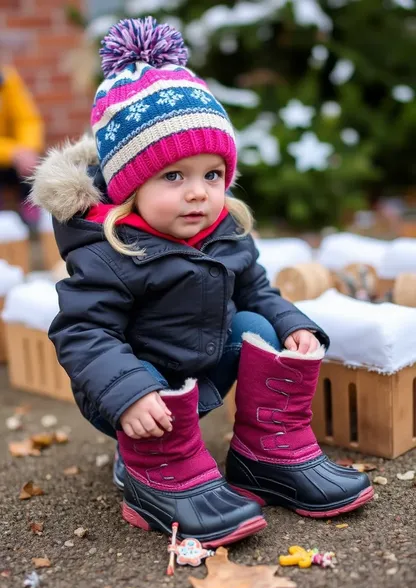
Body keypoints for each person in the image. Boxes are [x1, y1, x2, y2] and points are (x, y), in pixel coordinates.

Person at [31, 17, 373, 547]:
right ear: (130, 186)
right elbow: (82, 331)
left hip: (203, 363)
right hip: (130, 388)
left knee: (258, 322)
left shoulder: (225, 230)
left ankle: (269, 454)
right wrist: (129, 394)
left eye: (212, 175)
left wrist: (292, 326)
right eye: (174, 177)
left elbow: (256, 288)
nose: (199, 193)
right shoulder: (109, 250)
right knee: (140, 375)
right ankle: (151, 470)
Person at [0, 66, 44, 226]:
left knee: (35, 166)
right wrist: (13, 152)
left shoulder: (7, 79)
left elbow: (27, 119)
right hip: (7, 153)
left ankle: (32, 205)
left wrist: (28, 149)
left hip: (13, 158)